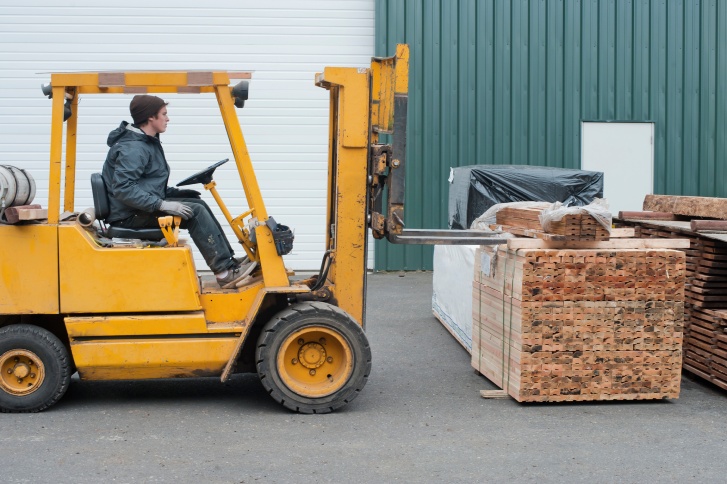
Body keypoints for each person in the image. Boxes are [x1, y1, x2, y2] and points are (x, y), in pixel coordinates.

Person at [101, 94, 246, 288]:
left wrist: (176, 194)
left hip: (136, 208)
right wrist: (162, 204)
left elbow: (147, 185)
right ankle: (224, 272)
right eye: (164, 114)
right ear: (151, 117)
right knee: (196, 212)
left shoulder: (146, 142)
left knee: (198, 204)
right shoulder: (134, 148)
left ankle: (229, 262)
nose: (167, 119)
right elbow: (124, 188)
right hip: (129, 215)